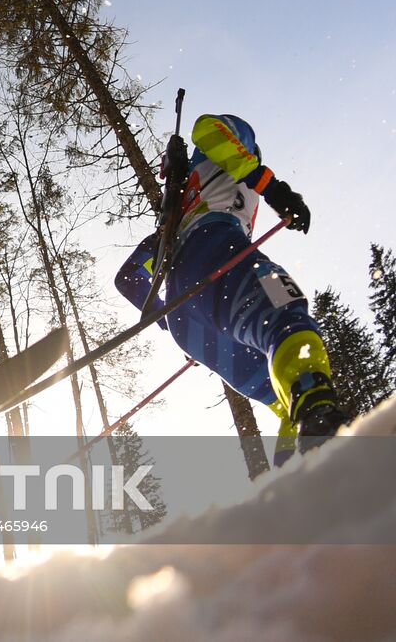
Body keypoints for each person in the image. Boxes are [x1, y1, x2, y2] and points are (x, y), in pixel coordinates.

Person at [116, 112, 350, 457]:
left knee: (281, 397)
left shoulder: (176, 217)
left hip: (190, 322)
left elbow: (128, 278)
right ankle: (321, 423)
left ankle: (297, 478)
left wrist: (168, 317)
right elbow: (207, 129)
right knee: (284, 308)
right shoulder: (228, 152)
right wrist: (271, 187)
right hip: (217, 251)